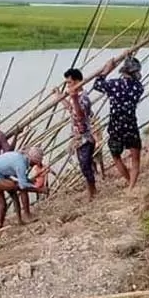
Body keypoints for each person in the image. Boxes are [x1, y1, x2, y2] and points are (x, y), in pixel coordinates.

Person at [93, 55, 144, 190]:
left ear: (123, 71)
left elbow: (97, 84)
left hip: (116, 126)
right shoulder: (139, 88)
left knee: (116, 157)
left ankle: (129, 183)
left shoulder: (114, 84)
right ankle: (131, 186)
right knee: (135, 159)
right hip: (131, 125)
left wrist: (107, 70)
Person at [55, 68, 98, 201]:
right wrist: (59, 96)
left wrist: (73, 98)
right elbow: (70, 109)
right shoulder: (76, 97)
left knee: (85, 165)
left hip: (85, 138)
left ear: (78, 81)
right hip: (77, 138)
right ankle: (93, 189)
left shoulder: (84, 97)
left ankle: (92, 192)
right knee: (83, 165)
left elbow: (80, 116)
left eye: (70, 83)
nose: (68, 86)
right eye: (67, 83)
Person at [0, 147, 48, 228]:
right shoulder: (21, 164)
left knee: (13, 194)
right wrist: (39, 190)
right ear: (33, 160)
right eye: (35, 163)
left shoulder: (19, 158)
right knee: (4, 201)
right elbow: (22, 186)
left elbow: (20, 178)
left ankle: (19, 220)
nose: (33, 166)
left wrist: (30, 182)